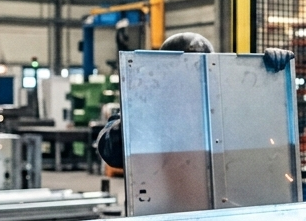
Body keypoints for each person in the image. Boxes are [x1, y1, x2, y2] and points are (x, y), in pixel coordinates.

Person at [94, 33, 295, 170]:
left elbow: (264, 128)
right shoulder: (148, 107)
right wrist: (143, 110)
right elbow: (110, 151)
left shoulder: (223, 105)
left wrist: (271, 73)